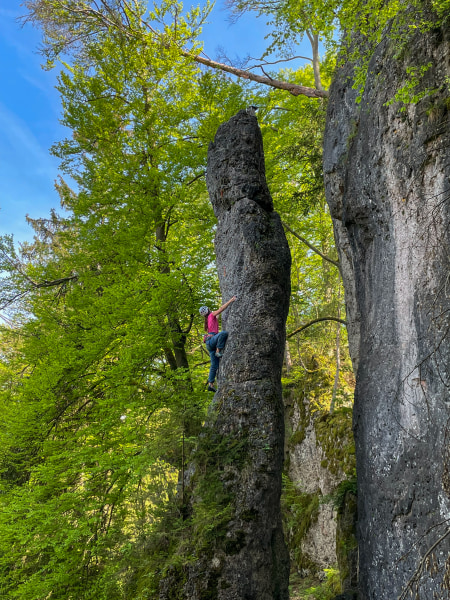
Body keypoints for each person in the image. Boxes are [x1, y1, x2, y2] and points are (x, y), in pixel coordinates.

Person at [199, 296, 237, 392]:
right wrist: (231, 300)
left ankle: (210, 384)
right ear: (208, 310)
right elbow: (221, 309)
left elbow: (218, 316)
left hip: (209, 344)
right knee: (224, 333)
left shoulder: (208, 320)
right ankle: (218, 350)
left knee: (214, 365)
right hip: (212, 341)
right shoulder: (211, 315)